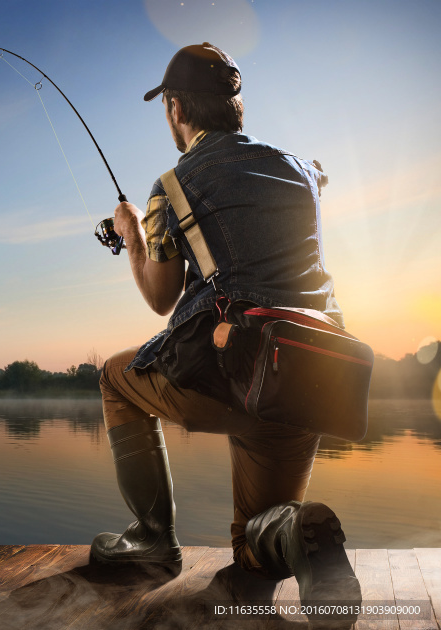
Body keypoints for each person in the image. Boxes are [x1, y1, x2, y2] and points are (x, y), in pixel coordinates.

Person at [92, 42, 361, 624]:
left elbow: (162, 298)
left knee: (115, 376)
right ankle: (294, 530)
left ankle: (152, 539)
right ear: (236, 105)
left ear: (175, 109)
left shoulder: (172, 185)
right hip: (307, 378)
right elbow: (314, 179)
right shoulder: (299, 169)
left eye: (168, 105)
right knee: (251, 558)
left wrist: (133, 234)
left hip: (222, 373)